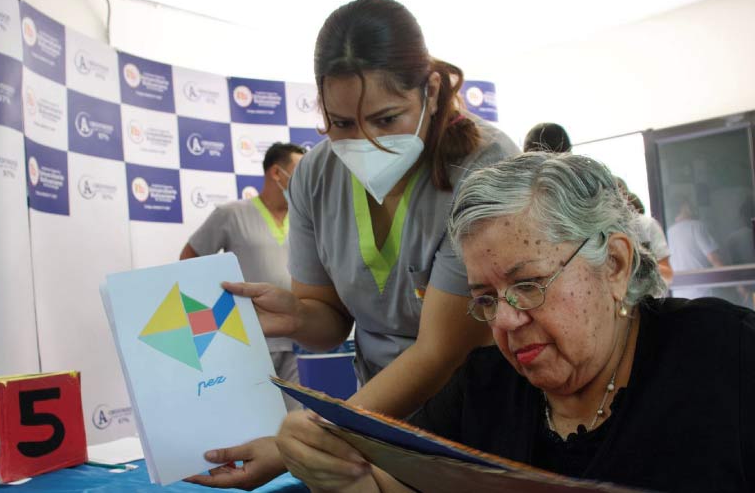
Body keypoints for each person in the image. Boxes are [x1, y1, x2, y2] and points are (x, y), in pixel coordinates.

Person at [185, 0, 519, 488]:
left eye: (387, 119)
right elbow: (329, 320)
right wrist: (298, 315)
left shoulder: (484, 168)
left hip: (480, 415)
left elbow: (439, 352)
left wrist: (297, 446)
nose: (365, 143)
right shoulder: (316, 176)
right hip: (376, 419)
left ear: (429, 91)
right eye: (341, 124)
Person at [275, 153, 755, 493]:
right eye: (485, 298)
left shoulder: (727, 355)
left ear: (613, 265)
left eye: (528, 285)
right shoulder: (483, 388)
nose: (504, 320)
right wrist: (344, 476)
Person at [180, 142, 305, 411]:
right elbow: (189, 259)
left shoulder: (304, 218)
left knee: (296, 423)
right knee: (257, 417)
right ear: (276, 173)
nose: (305, 179)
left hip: (301, 338)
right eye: (299, 170)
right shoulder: (231, 214)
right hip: (250, 337)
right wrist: (213, 316)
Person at [615, 176, 673, 286]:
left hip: (648, 298)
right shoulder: (593, 235)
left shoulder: (646, 225)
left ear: (626, 198)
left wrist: (638, 264)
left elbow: (667, 274)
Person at [667, 196, 724, 299]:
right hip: (701, 294)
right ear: (684, 207)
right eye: (690, 204)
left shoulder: (668, 232)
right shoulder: (696, 226)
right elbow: (715, 260)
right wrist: (739, 287)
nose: (692, 207)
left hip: (678, 296)